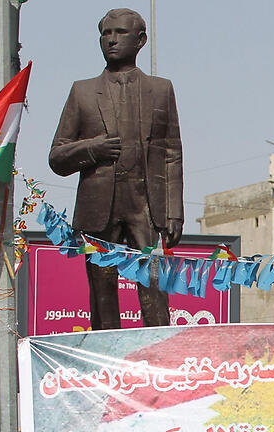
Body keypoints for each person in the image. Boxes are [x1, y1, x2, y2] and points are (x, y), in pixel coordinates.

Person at [49, 8, 184, 330]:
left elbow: (172, 152)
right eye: (105, 33)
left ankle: (159, 342)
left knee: (154, 280)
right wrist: (92, 149)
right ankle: (105, 344)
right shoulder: (81, 91)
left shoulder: (161, 89)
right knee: (101, 284)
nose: (111, 40)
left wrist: (174, 211)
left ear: (140, 41)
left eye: (120, 33)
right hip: (99, 204)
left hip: (146, 203)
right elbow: (57, 157)